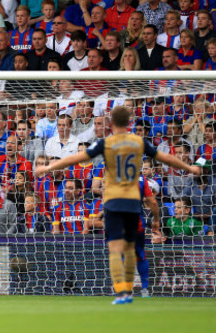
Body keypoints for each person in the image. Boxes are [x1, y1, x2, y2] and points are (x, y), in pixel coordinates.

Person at [35, 105, 201, 304]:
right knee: (131, 248)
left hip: (113, 201)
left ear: (111, 123)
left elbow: (77, 157)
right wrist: (189, 166)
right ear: (129, 122)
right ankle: (130, 290)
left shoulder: (106, 143)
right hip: (132, 202)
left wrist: (50, 166)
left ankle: (122, 292)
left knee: (115, 248)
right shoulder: (138, 142)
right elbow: (165, 157)